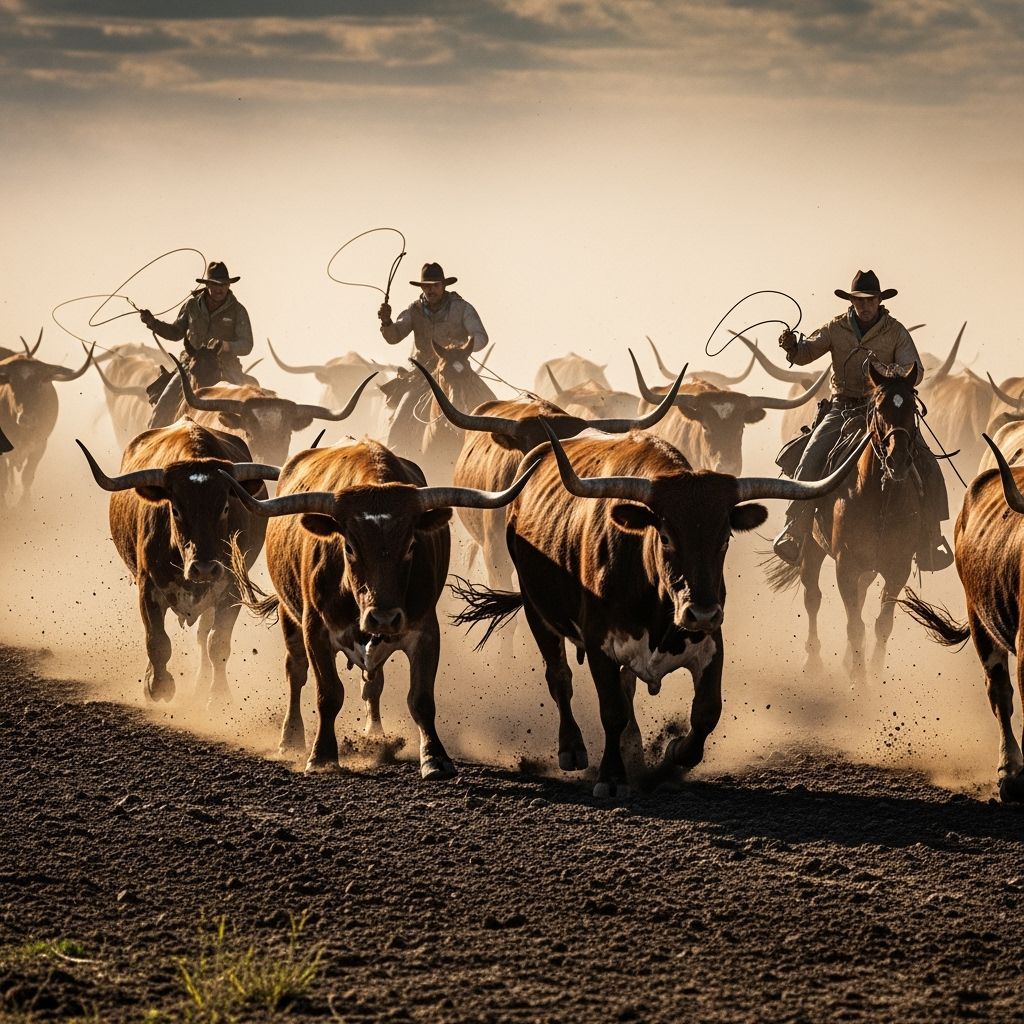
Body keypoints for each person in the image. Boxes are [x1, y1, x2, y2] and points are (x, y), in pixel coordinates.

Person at [772, 269, 953, 571]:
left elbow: (915, 369)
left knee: (926, 462)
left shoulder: (895, 331)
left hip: (884, 409)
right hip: (842, 408)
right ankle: (795, 529)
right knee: (810, 458)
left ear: (880, 300)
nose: (865, 305)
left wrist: (891, 376)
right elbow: (806, 353)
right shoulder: (835, 328)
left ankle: (931, 539)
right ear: (851, 301)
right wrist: (791, 346)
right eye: (859, 300)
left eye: (870, 300)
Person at [377, 262, 488, 455]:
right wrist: (386, 322)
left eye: (435, 285)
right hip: (423, 375)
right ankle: (396, 455)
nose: (431, 290)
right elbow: (394, 336)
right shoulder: (414, 310)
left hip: (458, 370)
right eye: (426, 286)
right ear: (421, 288)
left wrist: (460, 349)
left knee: (489, 402)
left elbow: (481, 337)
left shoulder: (462, 308)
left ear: (443, 285)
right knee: (401, 416)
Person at [139, 261, 254, 427]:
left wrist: (226, 346)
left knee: (253, 408)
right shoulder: (192, 306)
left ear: (229, 285)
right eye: (215, 284)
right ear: (207, 285)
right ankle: (152, 438)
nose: (220, 289)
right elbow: (176, 332)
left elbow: (247, 344)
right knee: (161, 410)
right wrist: (153, 323)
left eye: (224, 284)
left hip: (226, 367)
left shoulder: (238, 310)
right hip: (190, 367)